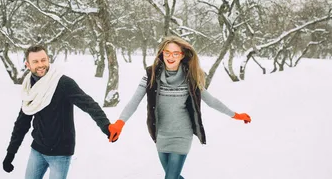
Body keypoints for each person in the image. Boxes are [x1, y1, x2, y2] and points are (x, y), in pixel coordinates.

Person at [108, 36, 252, 179]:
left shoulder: (190, 77)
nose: (171, 57)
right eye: (167, 52)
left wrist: (236, 115)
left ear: (182, 55)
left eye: (176, 53)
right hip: (161, 133)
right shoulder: (151, 75)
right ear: (161, 53)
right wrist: (120, 123)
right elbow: (134, 101)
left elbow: (211, 101)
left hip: (182, 134)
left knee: (170, 177)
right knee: (173, 176)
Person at [3, 45, 112, 179]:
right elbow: (22, 122)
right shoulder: (29, 88)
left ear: (48, 59)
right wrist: (10, 153)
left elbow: (89, 104)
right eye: (35, 61)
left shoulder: (63, 83)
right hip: (37, 150)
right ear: (28, 64)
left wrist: (106, 126)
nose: (40, 65)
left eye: (43, 60)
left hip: (60, 153)